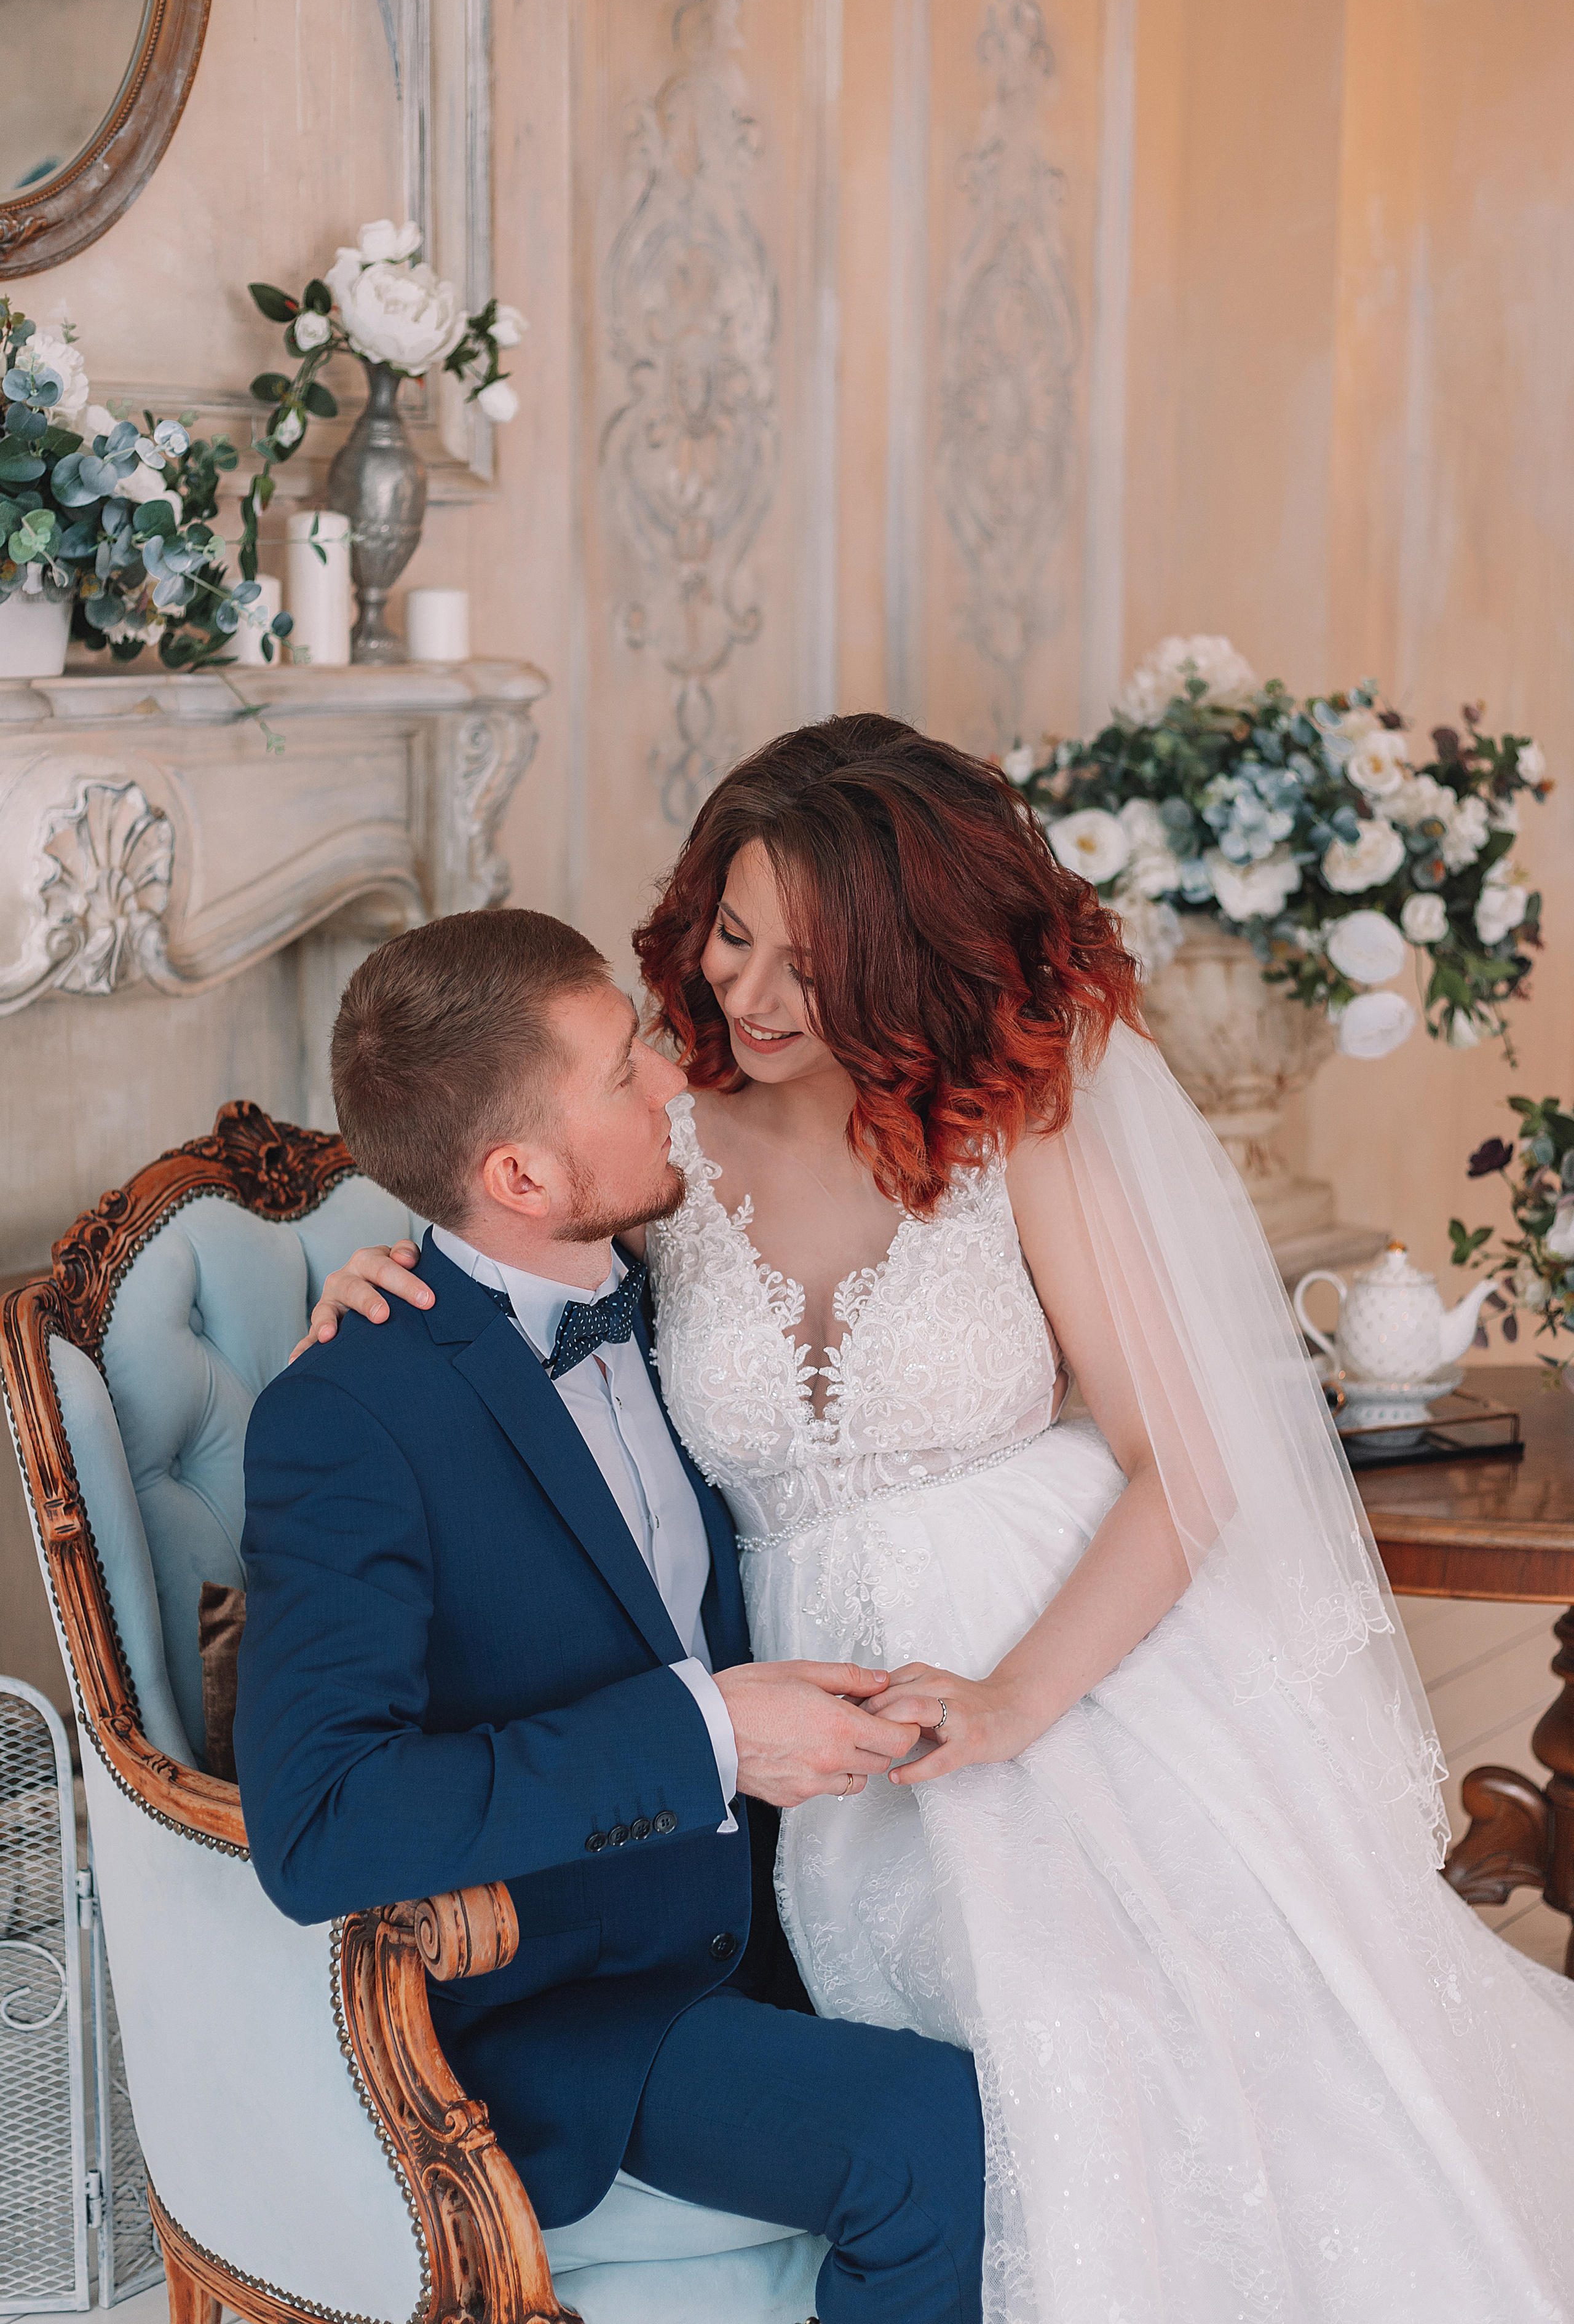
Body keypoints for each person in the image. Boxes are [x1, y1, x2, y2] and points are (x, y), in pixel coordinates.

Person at [305, 717, 1574, 2323]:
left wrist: (1018, 1699)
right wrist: (390, 1294)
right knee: (1041, 2044)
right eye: (733, 936)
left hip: (1090, 1657)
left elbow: (1181, 1466)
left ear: (912, 963)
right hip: (839, 1714)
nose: (751, 998)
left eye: (811, 968)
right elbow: (514, 1258)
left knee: (1233, 2031)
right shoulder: (660, 1131)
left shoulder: (1008, 1119)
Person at [234, 904, 989, 2324]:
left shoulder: (662, 1289)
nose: (671, 1083)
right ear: (517, 1172)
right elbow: (321, 1822)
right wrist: (704, 1734)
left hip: (785, 1902)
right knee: (928, 2135)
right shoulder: (348, 1414)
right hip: (565, 2009)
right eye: (622, 1069)